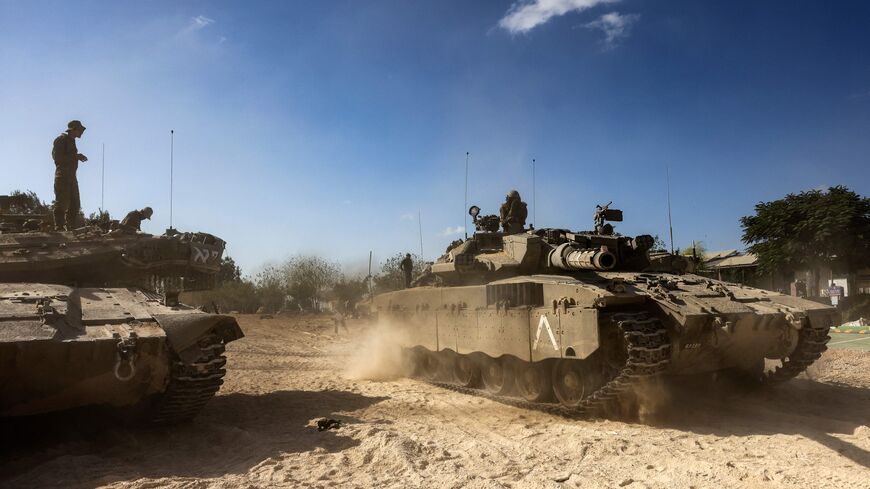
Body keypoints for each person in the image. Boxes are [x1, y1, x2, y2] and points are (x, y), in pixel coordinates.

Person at [52, 120, 88, 230]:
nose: (82, 132)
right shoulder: (61, 139)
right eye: (80, 130)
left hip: (72, 176)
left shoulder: (71, 141)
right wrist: (76, 157)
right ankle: (59, 226)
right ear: (73, 130)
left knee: (75, 203)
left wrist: (77, 156)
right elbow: (57, 158)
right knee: (62, 202)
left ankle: (71, 226)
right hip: (62, 176)